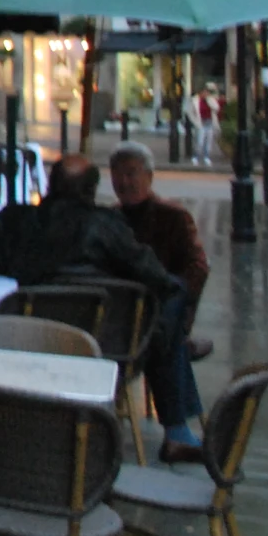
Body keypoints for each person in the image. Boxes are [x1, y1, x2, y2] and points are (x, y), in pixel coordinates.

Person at [0, 153, 202, 458]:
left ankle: (172, 353)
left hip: (28, 341)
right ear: (91, 191)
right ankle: (176, 424)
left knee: (168, 309)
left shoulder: (15, 222)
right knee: (173, 297)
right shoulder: (106, 225)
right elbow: (156, 276)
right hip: (106, 347)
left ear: (50, 186)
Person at [110, 140, 214, 403]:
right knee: (166, 342)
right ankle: (178, 432)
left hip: (159, 310)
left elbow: (197, 267)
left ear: (149, 176)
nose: (124, 181)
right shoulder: (109, 219)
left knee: (166, 319)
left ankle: (165, 335)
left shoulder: (173, 217)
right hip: (121, 317)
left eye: (131, 173)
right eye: (117, 175)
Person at [182, 82, 222, 167]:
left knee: (208, 141)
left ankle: (206, 157)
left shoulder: (210, 99)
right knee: (199, 141)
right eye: (204, 92)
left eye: (207, 92)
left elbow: (216, 108)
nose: (206, 94)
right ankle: (195, 157)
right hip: (201, 122)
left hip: (210, 122)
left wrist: (209, 100)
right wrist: (195, 121)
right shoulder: (195, 100)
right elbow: (189, 112)